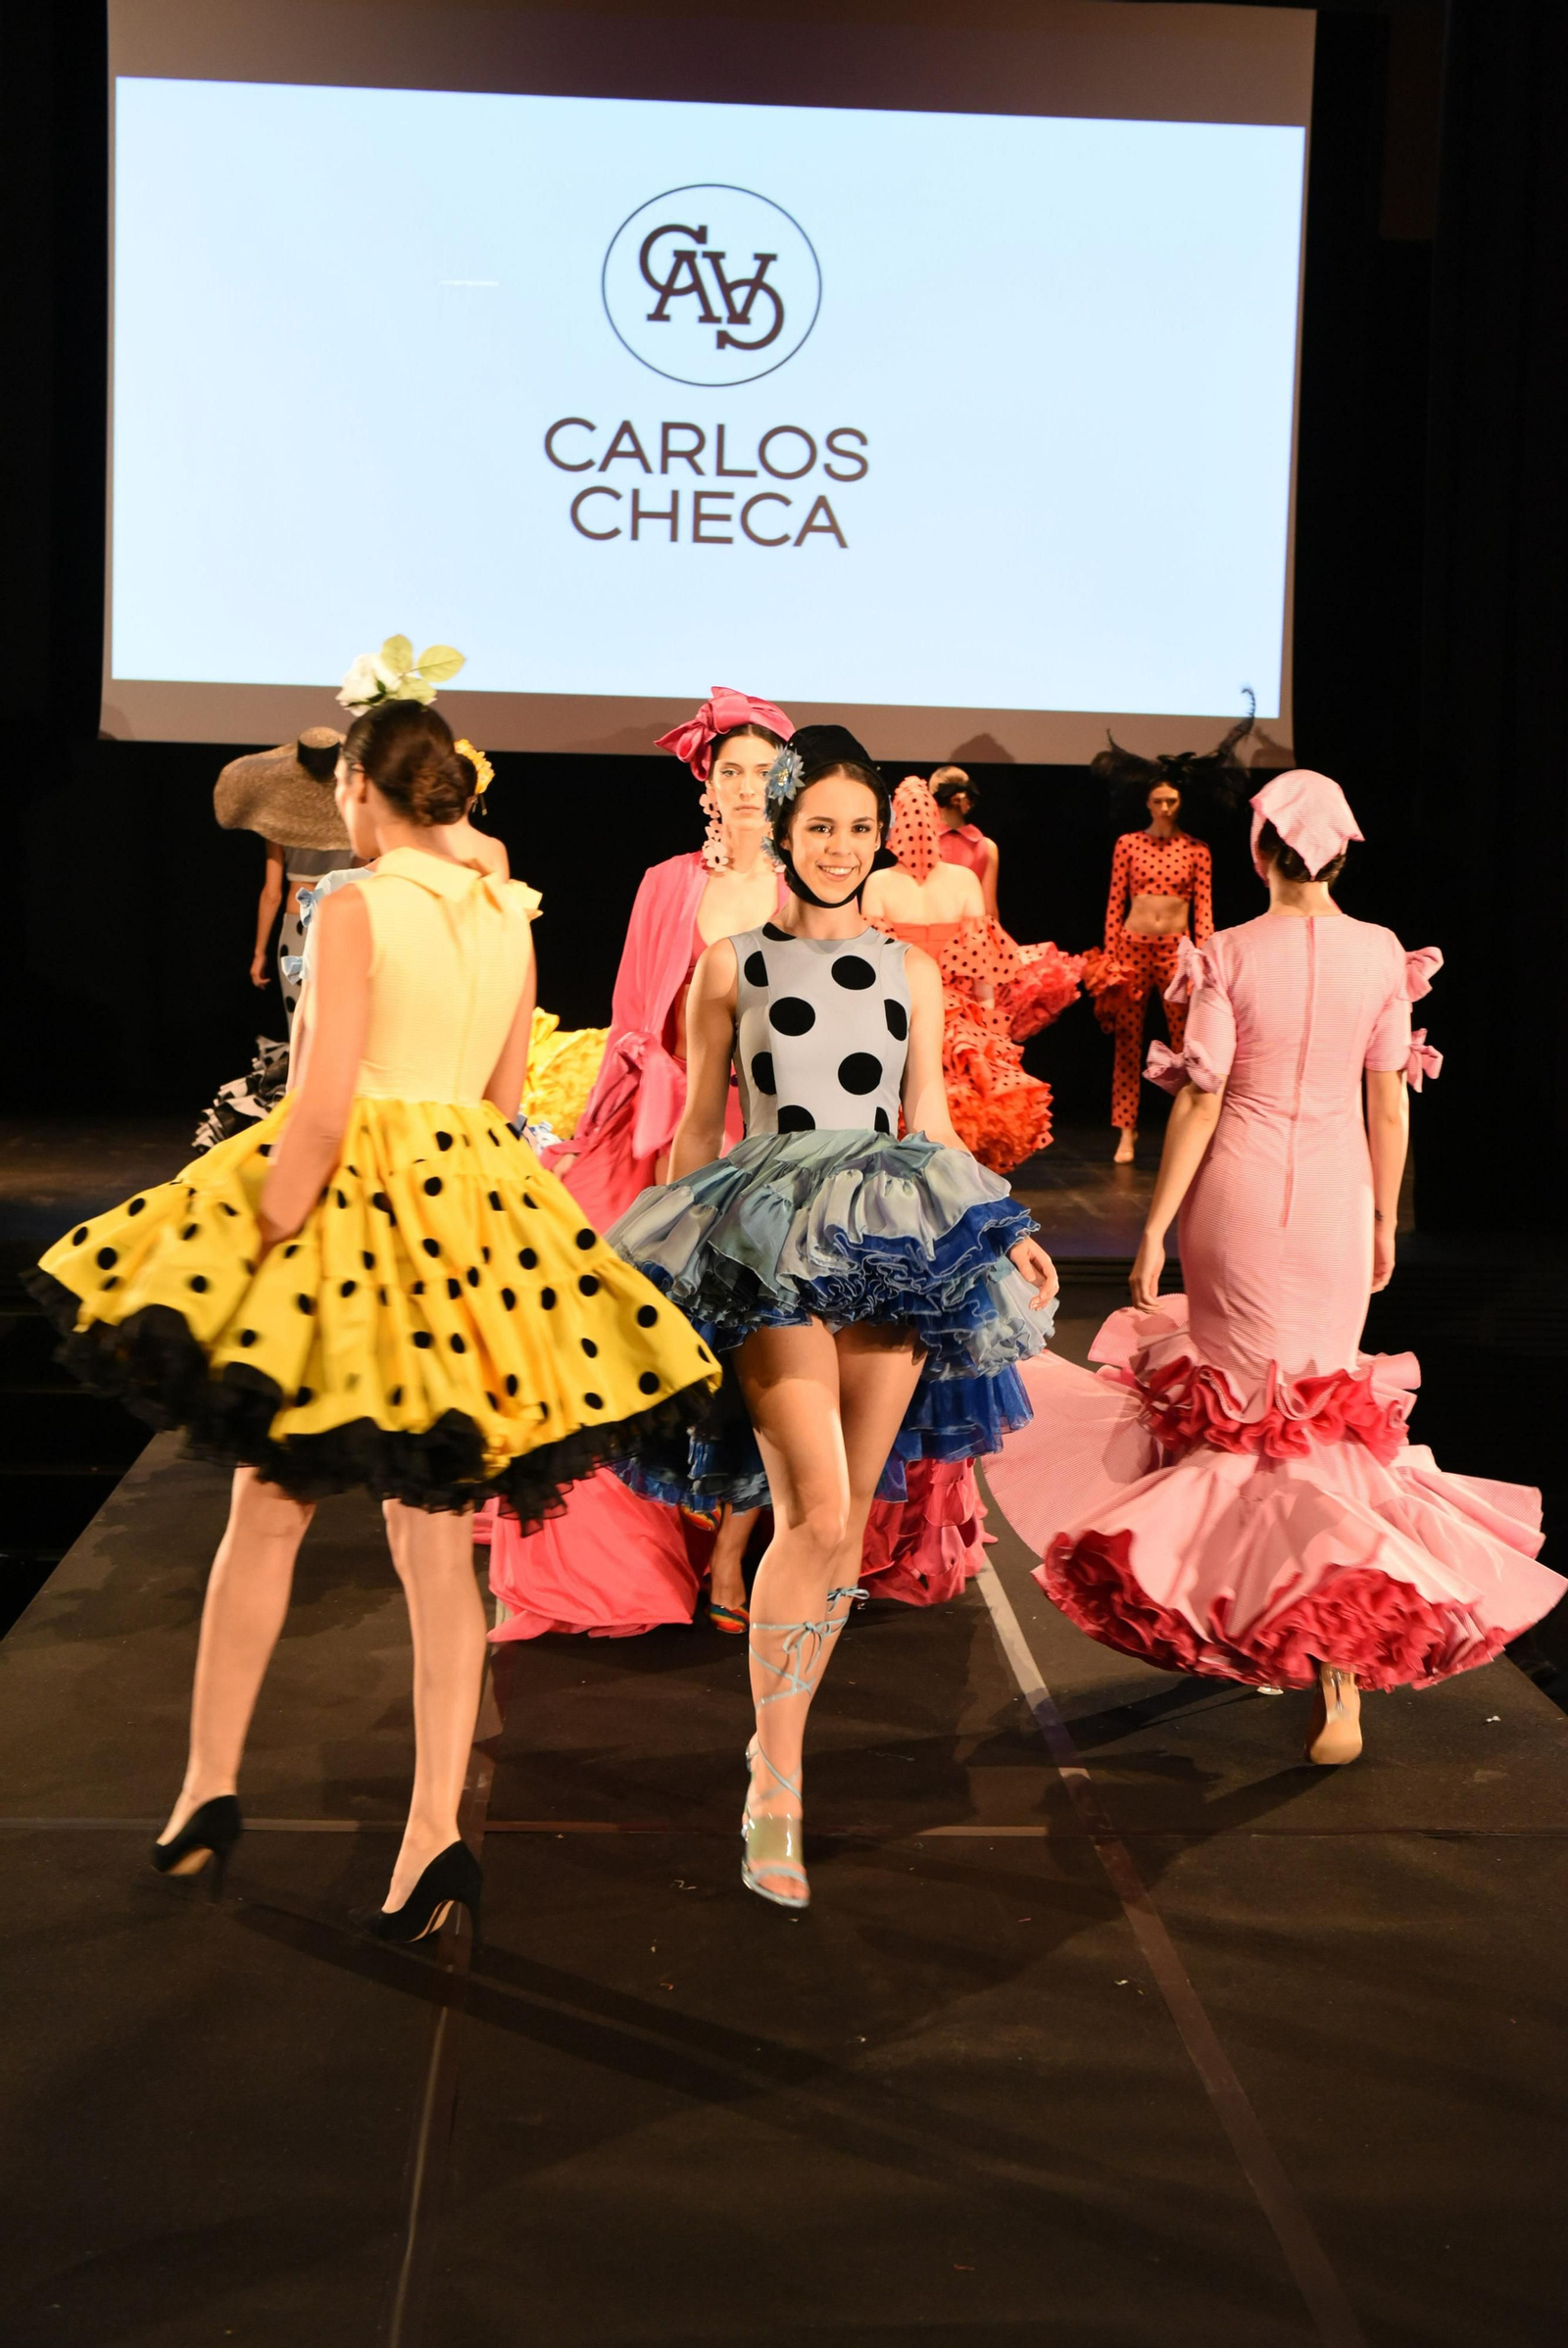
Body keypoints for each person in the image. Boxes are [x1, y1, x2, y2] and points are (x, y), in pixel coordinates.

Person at [29, 700, 718, 1940]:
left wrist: (251, 1241)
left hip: (357, 1208)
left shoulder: (351, 902)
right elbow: (509, 1092)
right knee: (434, 1540)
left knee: (267, 1506)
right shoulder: (506, 912)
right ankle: (433, 1834)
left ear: (359, 786)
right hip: (471, 1206)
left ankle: (205, 1785)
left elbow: (322, 1100)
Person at [987, 769, 1562, 1764]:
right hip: (1336, 1196)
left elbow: (1201, 1101)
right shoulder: (1380, 952)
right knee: (1320, 1419)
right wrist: (1387, 1213)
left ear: (1258, 854)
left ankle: (1250, 1619)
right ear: (1340, 854)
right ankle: (1331, 1659)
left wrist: (1155, 1223)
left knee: (1243, 1419)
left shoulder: (1227, 955)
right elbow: (1390, 1103)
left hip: (1241, 1197)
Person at [609, 725, 1059, 1908]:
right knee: (806, 1503)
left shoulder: (907, 969)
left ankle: (775, 1741)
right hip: (763, 1235)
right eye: (822, 826)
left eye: (862, 829)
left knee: (848, 1522)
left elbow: (933, 1121)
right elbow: (700, 1130)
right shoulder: (730, 960)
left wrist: (1009, 1227)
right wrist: (654, 1256)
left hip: (894, 1235)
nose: (843, 847)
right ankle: (778, 1782)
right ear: (785, 827)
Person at [862, 777, 1054, 1173]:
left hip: (904, 1010)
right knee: (956, 1110)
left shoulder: (880, 882)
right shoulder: (960, 880)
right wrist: (990, 1027)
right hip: (953, 1016)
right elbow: (984, 970)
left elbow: (872, 975)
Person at [1088, 776, 1213, 1163]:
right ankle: (1126, 1130)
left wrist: (1204, 959)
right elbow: (1114, 903)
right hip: (1132, 948)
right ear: (1147, 802)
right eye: (1159, 800)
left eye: (1172, 800)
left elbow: (1203, 910)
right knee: (1128, 1043)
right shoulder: (1129, 844)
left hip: (1175, 950)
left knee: (1185, 1041)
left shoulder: (1196, 849)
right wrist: (1110, 960)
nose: (1165, 808)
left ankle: (1189, 1123)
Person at [931, 767, 999, 917]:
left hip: (928, 934)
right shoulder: (986, 847)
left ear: (931, 800)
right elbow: (990, 913)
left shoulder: (920, 843)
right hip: (971, 937)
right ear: (968, 801)